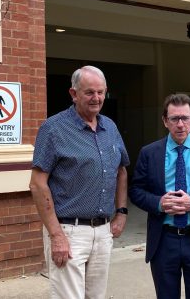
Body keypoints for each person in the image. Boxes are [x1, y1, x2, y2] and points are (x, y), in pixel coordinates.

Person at [29, 66, 130, 299]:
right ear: (74, 94)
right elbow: (37, 184)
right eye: (89, 93)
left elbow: (121, 170)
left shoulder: (110, 127)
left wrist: (122, 212)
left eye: (101, 92)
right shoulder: (53, 129)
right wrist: (56, 235)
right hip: (69, 231)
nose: (97, 98)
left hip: (103, 231)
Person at [129, 93, 190, 299]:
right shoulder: (150, 152)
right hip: (164, 239)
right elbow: (136, 191)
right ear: (165, 121)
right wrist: (159, 203)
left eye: (185, 118)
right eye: (174, 119)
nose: (180, 124)